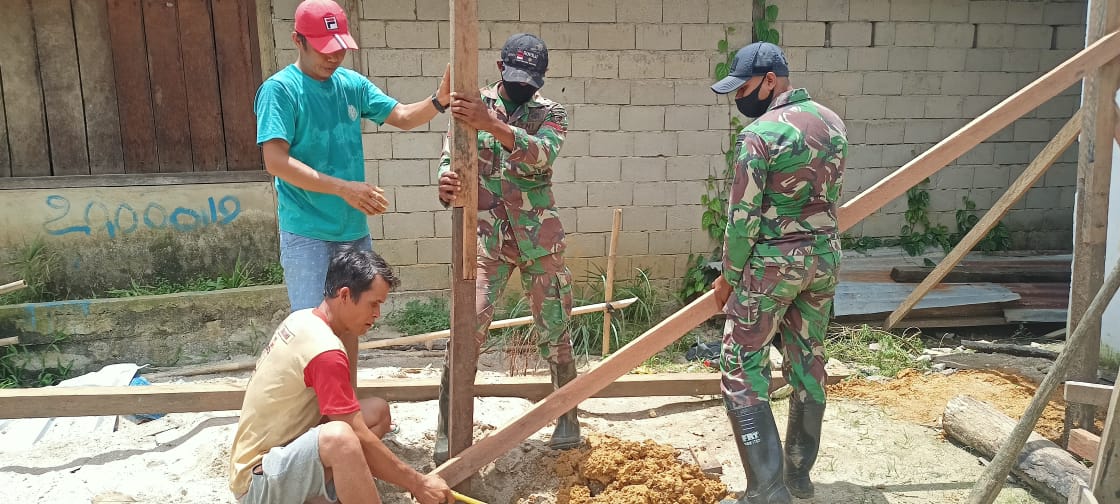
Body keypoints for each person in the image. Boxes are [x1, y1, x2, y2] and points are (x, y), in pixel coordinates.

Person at [255, 0, 453, 383]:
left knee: (351, 325)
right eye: (325, 49)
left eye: (340, 47)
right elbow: (276, 162)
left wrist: (438, 101)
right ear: (298, 40)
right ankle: (315, 415)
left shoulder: (351, 85)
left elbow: (402, 117)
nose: (334, 57)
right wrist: (343, 188)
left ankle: (344, 404)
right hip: (307, 232)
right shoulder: (280, 91)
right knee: (313, 331)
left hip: (352, 232)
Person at [709, 42, 847, 504]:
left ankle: (767, 490)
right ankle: (798, 476)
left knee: (740, 365)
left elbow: (742, 218)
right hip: (823, 258)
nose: (738, 98)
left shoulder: (760, 133)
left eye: (743, 87)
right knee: (808, 358)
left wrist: (728, 278)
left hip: (773, 263)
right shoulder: (833, 123)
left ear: (771, 80)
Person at [433, 33, 577, 464]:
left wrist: (490, 124)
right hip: (486, 239)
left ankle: (568, 416)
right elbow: (450, 157)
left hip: (538, 239)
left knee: (555, 322)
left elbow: (542, 155)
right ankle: (449, 425)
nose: (523, 87)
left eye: (531, 80)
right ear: (500, 69)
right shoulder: (469, 105)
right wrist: (445, 183)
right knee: (468, 325)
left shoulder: (551, 112)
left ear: (542, 77)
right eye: (516, 79)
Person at [228, 249, 452, 504]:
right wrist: (419, 483)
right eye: (373, 304)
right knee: (341, 439)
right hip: (258, 484)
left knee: (377, 412)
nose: (377, 314)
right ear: (345, 295)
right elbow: (352, 433)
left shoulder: (302, 319)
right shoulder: (325, 351)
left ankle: (331, 489)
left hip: (278, 456)